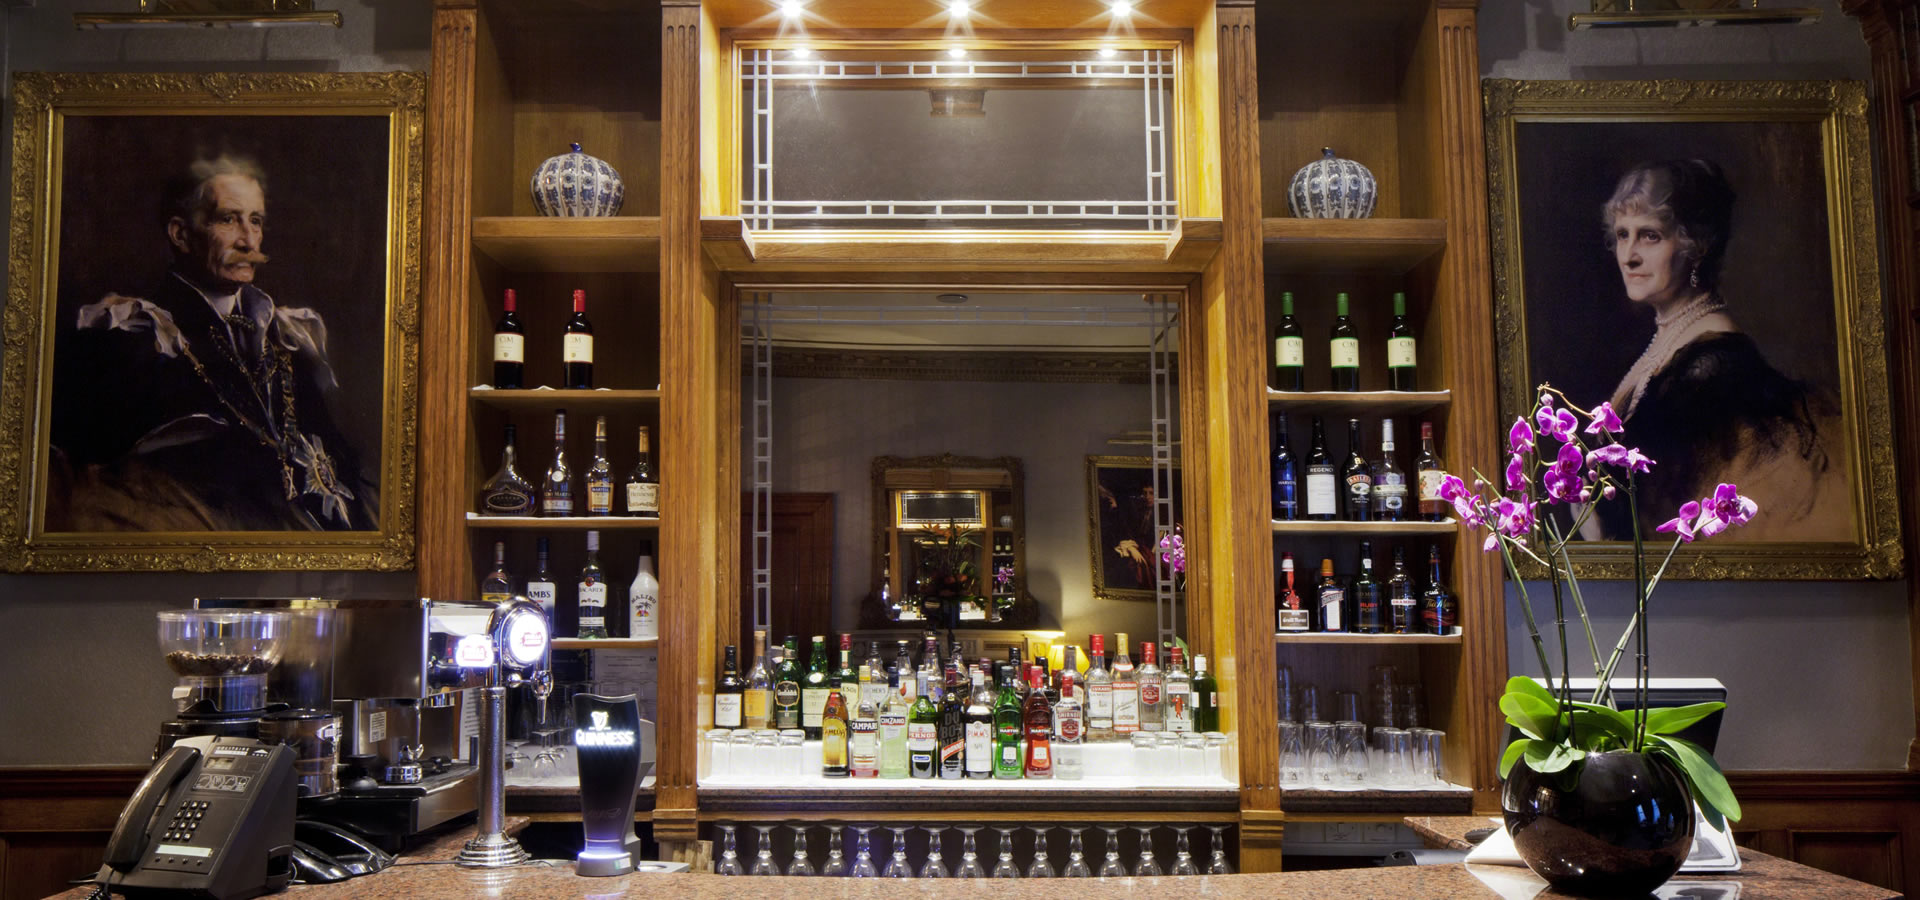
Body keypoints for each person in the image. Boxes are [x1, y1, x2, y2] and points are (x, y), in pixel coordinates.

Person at [47, 154, 374, 532]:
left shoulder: (289, 337)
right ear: (180, 235)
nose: (248, 240)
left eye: (256, 221)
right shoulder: (133, 338)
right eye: (228, 219)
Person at [1584, 159, 1846, 541]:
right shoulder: (1671, 346)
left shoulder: (1712, 370)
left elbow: (1673, 521)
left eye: (1650, 236)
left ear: (1697, 245)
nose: (1629, 256)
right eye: (1623, 235)